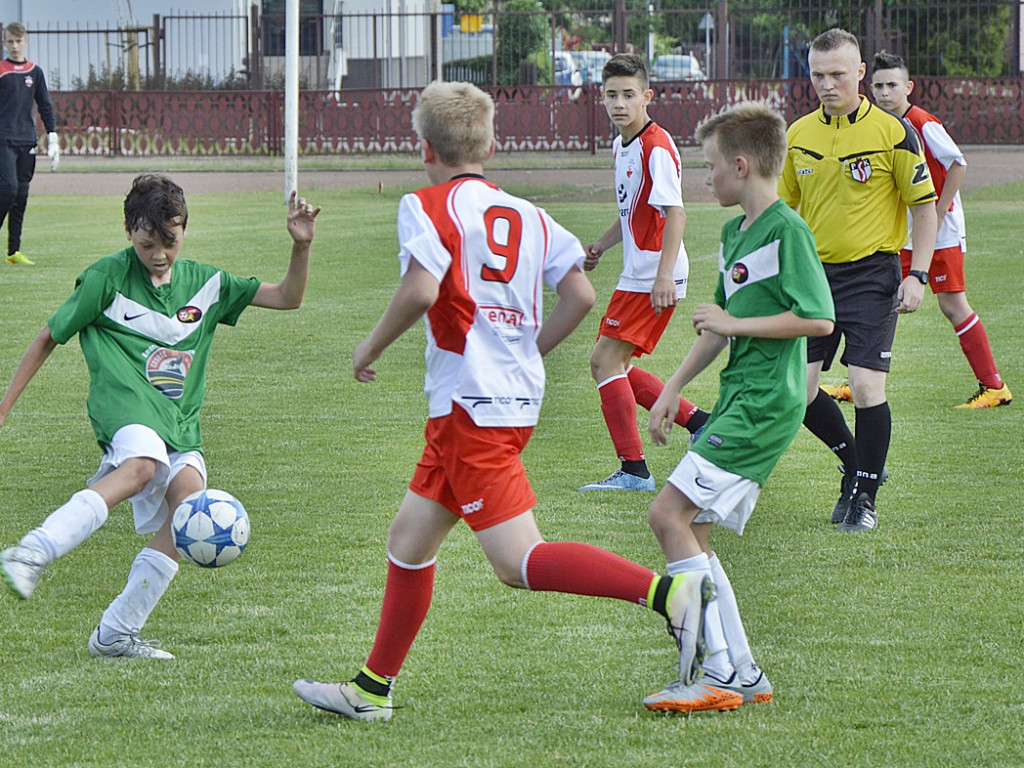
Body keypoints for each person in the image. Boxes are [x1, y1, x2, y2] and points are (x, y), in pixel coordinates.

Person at [292, 81, 713, 722]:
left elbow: (421, 289)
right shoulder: (526, 212)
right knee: (408, 539)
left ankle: (671, 594)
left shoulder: (426, 204)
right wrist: (525, 349)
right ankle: (371, 688)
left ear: (424, 149)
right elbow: (580, 295)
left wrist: (368, 349)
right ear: (492, 143)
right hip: (500, 405)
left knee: (517, 562)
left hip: (470, 408)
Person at [0, 174, 321, 658]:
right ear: (129, 231)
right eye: (147, 243)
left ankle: (116, 632)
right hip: (124, 407)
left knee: (186, 509)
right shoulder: (105, 278)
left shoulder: (207, 284)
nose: (158, 255)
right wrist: (5, 406)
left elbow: (288, 297)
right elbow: (48, 337)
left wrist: (301, 247)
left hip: (179, 422)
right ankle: (32, 550)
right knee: (141, 467)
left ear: (184, 230)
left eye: (169, 242)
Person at [641, 103, 835, 712]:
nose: (706, 180)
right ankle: (742, 672)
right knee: (688, 528)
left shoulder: (788, 231)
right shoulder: (733, 234)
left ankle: (719, 670)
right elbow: (719, 328)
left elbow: (818, 318)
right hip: (736, 398)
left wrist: (735, 319)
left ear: (742, 166)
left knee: (668, 517)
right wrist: (672, 387)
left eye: (711, 167)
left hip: (766, 404)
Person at [779, 28, 938, 532]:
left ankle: (864, 498)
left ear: (861, 74)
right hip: (812, 278)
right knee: (798, 394)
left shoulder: (893, 132)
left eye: (837, 75)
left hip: (873, 274)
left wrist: (917, 276)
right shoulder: (798, 134)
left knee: (867, 387)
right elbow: (782, 212)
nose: (827, 85)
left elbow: (925, 210)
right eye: (818, 75)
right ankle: (856, 463)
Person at [577, 53, 709, 493]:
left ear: (647, 96)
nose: (619, 103)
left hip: (653, 273)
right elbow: (632, 210)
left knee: (604, 361)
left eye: (629, 95)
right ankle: (698, 422)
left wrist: (664, 275)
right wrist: (602, 243)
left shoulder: (655, 146)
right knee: (611, 363)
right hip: (640, 270)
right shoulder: (622, 144)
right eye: (611, 95)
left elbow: (676, 213)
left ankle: (634, 471)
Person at [869, 51, 1011, 410]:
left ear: (908, 87)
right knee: (880, 294)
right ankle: (862, 382)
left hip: (940, 231)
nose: (885, 93)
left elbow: (957, 163)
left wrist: (941, 207)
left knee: (952, 304)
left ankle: (994, 386)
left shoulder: (921, 121)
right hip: (905, 231)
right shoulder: (879, 125)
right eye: (878, 86)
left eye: (892, 85)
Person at [0, 22, 59, 266]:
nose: (14, 46)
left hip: (27, 141)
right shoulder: (1, 69)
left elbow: (45, 105)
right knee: (8, 189)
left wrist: (52, 136)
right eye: (9, 41)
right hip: (3, 139)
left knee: (21, 196)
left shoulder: (35, 72)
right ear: (4, 43)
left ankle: (14, 252)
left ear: (26, 41)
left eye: (18, 41)